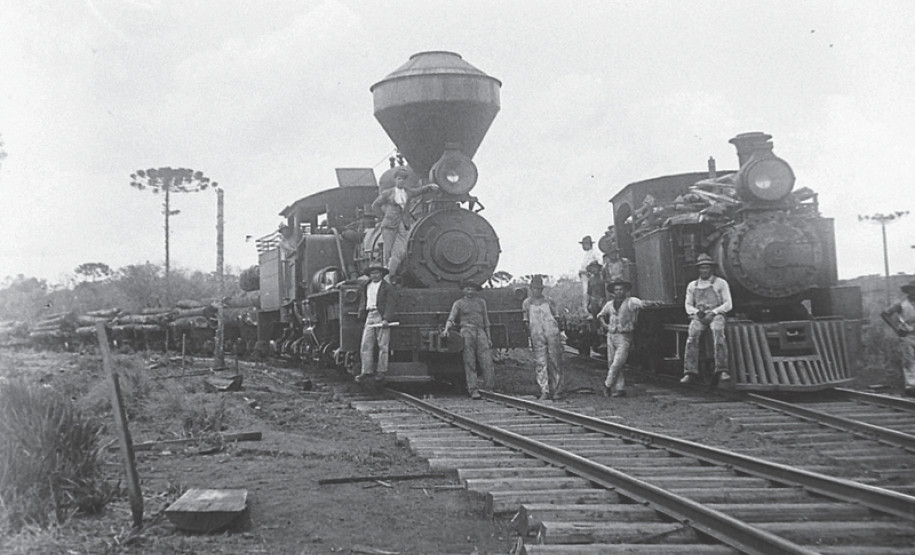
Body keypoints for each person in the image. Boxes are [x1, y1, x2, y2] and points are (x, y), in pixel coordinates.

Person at [596, 280, 662, 397]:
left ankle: (607, 385)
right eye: (616, 290)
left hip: (624, 336)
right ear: (613, 292)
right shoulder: (610, 304)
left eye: (621, 289)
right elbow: (600, 315)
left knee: (618, 362)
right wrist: (604, 325)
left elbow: (642, 304)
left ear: (625, 291)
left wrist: (654, 303)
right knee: (611, 362)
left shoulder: (631, 302)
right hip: (611, 335)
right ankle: (620, 389)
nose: (619, 292)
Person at [371, 168, 439, 274]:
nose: (401, 181)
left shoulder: (408, 192)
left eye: (403, 179)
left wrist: (430, 187)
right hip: (389, 225)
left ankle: (393, 270)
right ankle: (386, 271)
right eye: (399, 179)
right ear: (395, 180)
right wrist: (383, 217)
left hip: (403, 224)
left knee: (402, 250)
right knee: (388, 250)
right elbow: (375, 205)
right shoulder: (388, 193)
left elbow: (419, 190)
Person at [681, 254, 733, 384]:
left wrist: (714, 312)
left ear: (712, 269)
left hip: (716, 315)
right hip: (699, 316)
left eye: (707, 268)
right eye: (702, 268)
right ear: (698, 269)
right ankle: (689, 371)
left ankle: (722, 369)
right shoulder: (692, 285)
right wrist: (697, 312)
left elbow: (728, 304)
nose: (705, 270)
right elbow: (688, 305)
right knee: (692, 337)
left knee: (718, 334)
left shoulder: (721, 283)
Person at [443, 281, 493, 399]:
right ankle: (473, 389)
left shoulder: (481, 303)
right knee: (469, 360)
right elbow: (451, 317)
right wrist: (446, 329)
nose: (470, 291)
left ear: (476, 291)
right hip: (466, 331)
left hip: (480, 331)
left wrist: (489, 337)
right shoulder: (459, 303)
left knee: (486, 360)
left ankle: (489, 387)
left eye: (472, 289)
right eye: (468, 289)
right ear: (463, 290)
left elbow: (486, 320)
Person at [522, 275, 563, 401]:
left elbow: (557, 317)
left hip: (552, 333)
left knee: (555, 361)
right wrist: (530, 335)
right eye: (534, 288)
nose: (537, 291)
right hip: (536, 334)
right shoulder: (527, 303)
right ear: (531, 288)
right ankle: (544, 390)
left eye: (539, 288)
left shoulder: (549, 301)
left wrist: (560, 334)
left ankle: (557, 390)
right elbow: (526, 321)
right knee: (540, 362)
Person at [355, 264, 396, 383]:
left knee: (383, 345)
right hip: (369, 315)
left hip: (380, 315)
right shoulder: (366, 286)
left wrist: (386, 319)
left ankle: (381, 371)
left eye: (377, 273)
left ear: (382, 274)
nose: (374, 275)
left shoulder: (387, 287)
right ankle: (366, 371)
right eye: (372, 273)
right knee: (366, 344)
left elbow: (390, 304)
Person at [881, 280, 915, 397]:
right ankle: (911, 386)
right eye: (912, 290)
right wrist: (896, 329)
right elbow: (885, 313)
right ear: (908, 291)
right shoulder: (901, 304)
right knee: (909, 360)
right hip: (908, 334)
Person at [578, 235, 600, 312]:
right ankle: (586, 310)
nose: (583, 247)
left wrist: (590, 272)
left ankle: (589, 310)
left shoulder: (594, 253)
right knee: (585, 293)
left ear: (588, 244)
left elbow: (599, 263)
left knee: (588, 292)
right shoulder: (587, 254)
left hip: (590, 276)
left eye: (584, 244)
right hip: (584, 277)